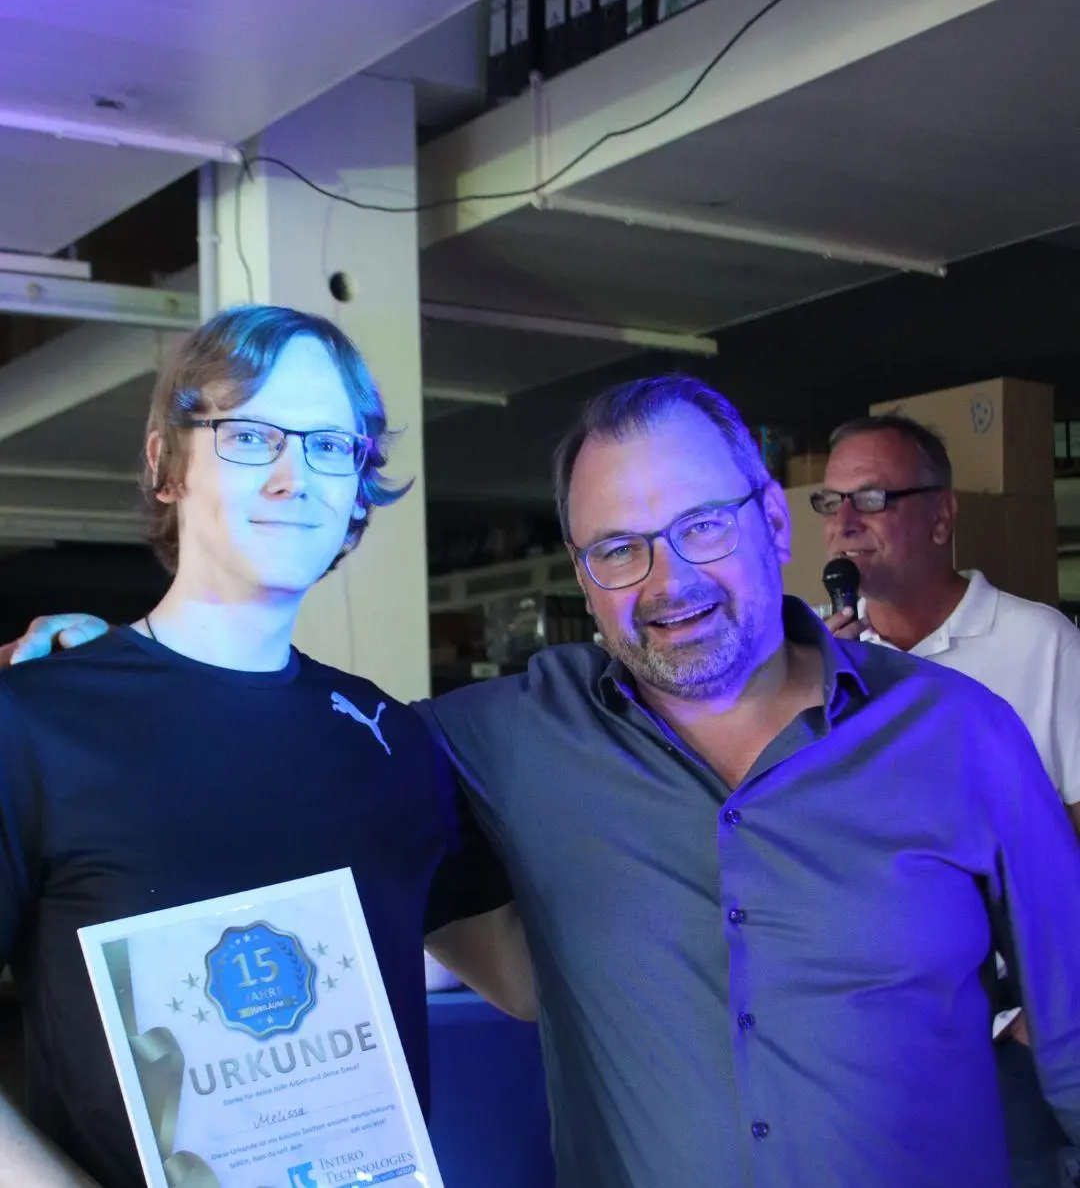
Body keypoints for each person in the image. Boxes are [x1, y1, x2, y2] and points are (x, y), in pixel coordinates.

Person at [12, 374, 1080, 1188]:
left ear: (770, 518)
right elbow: (285, 744)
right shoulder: (505, 738)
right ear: (581, 571)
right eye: (619, 549)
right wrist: (118, 674)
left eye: (701, 526)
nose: (668, 583)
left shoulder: (957, 734)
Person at [0, 305, 530, 1188]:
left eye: (331, 445)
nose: (295, 476)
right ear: (166, 463)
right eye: (251, 436)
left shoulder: (389, 740)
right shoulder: (36, 721)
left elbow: (518, 977)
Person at [814, 412, 1080, 1187]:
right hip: (874, 1050)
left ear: (942, 515)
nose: (845, 523)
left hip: (1010, 1043)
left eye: (872, 497)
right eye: (830, 503)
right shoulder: (816, 670)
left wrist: (1034, 1018)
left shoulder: (1040, 643)